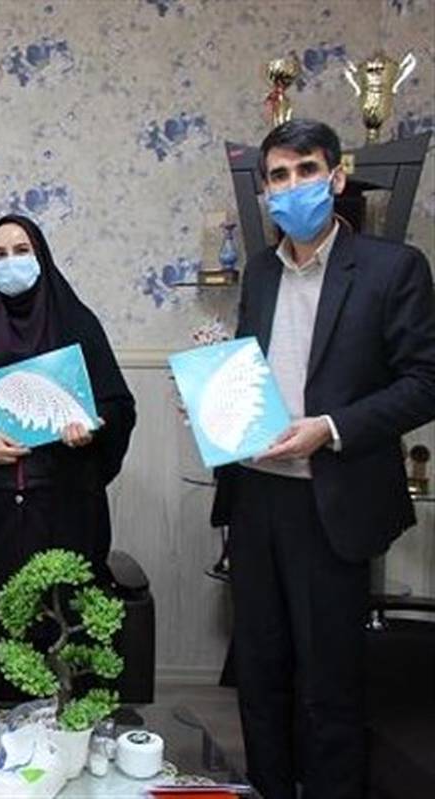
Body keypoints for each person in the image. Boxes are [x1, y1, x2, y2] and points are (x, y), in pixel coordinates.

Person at [211, 119, 435, 799]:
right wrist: (215, 405)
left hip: (331, 500)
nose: (292, 187)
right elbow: (252, 370)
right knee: (259, 675)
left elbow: (425, 380)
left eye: (306, 170)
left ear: (337, 178)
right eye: (277, 177)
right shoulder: (260, 272)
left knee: (329, 683)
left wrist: (331, 427)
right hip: (256, 497)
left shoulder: (393, 268)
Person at [0, 214, 135, 699]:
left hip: (63, 509)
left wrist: (91, 428)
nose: (10, 263)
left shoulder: (77, 324)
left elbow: (118, 405)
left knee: (59, 625)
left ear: (40, 256)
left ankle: (63, 730)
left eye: (21, 251)